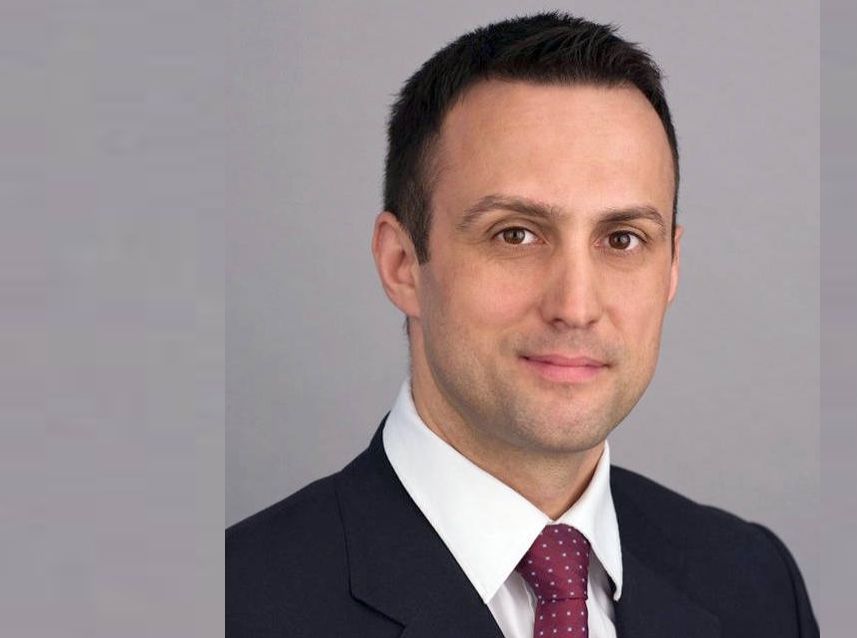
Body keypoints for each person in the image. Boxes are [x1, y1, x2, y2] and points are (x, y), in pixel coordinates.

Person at [226, 12, 818, 638]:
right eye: (515, 234)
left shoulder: (756, 587)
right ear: (402, 264)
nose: (575, 305)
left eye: (622, 238)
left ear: (671, 268)